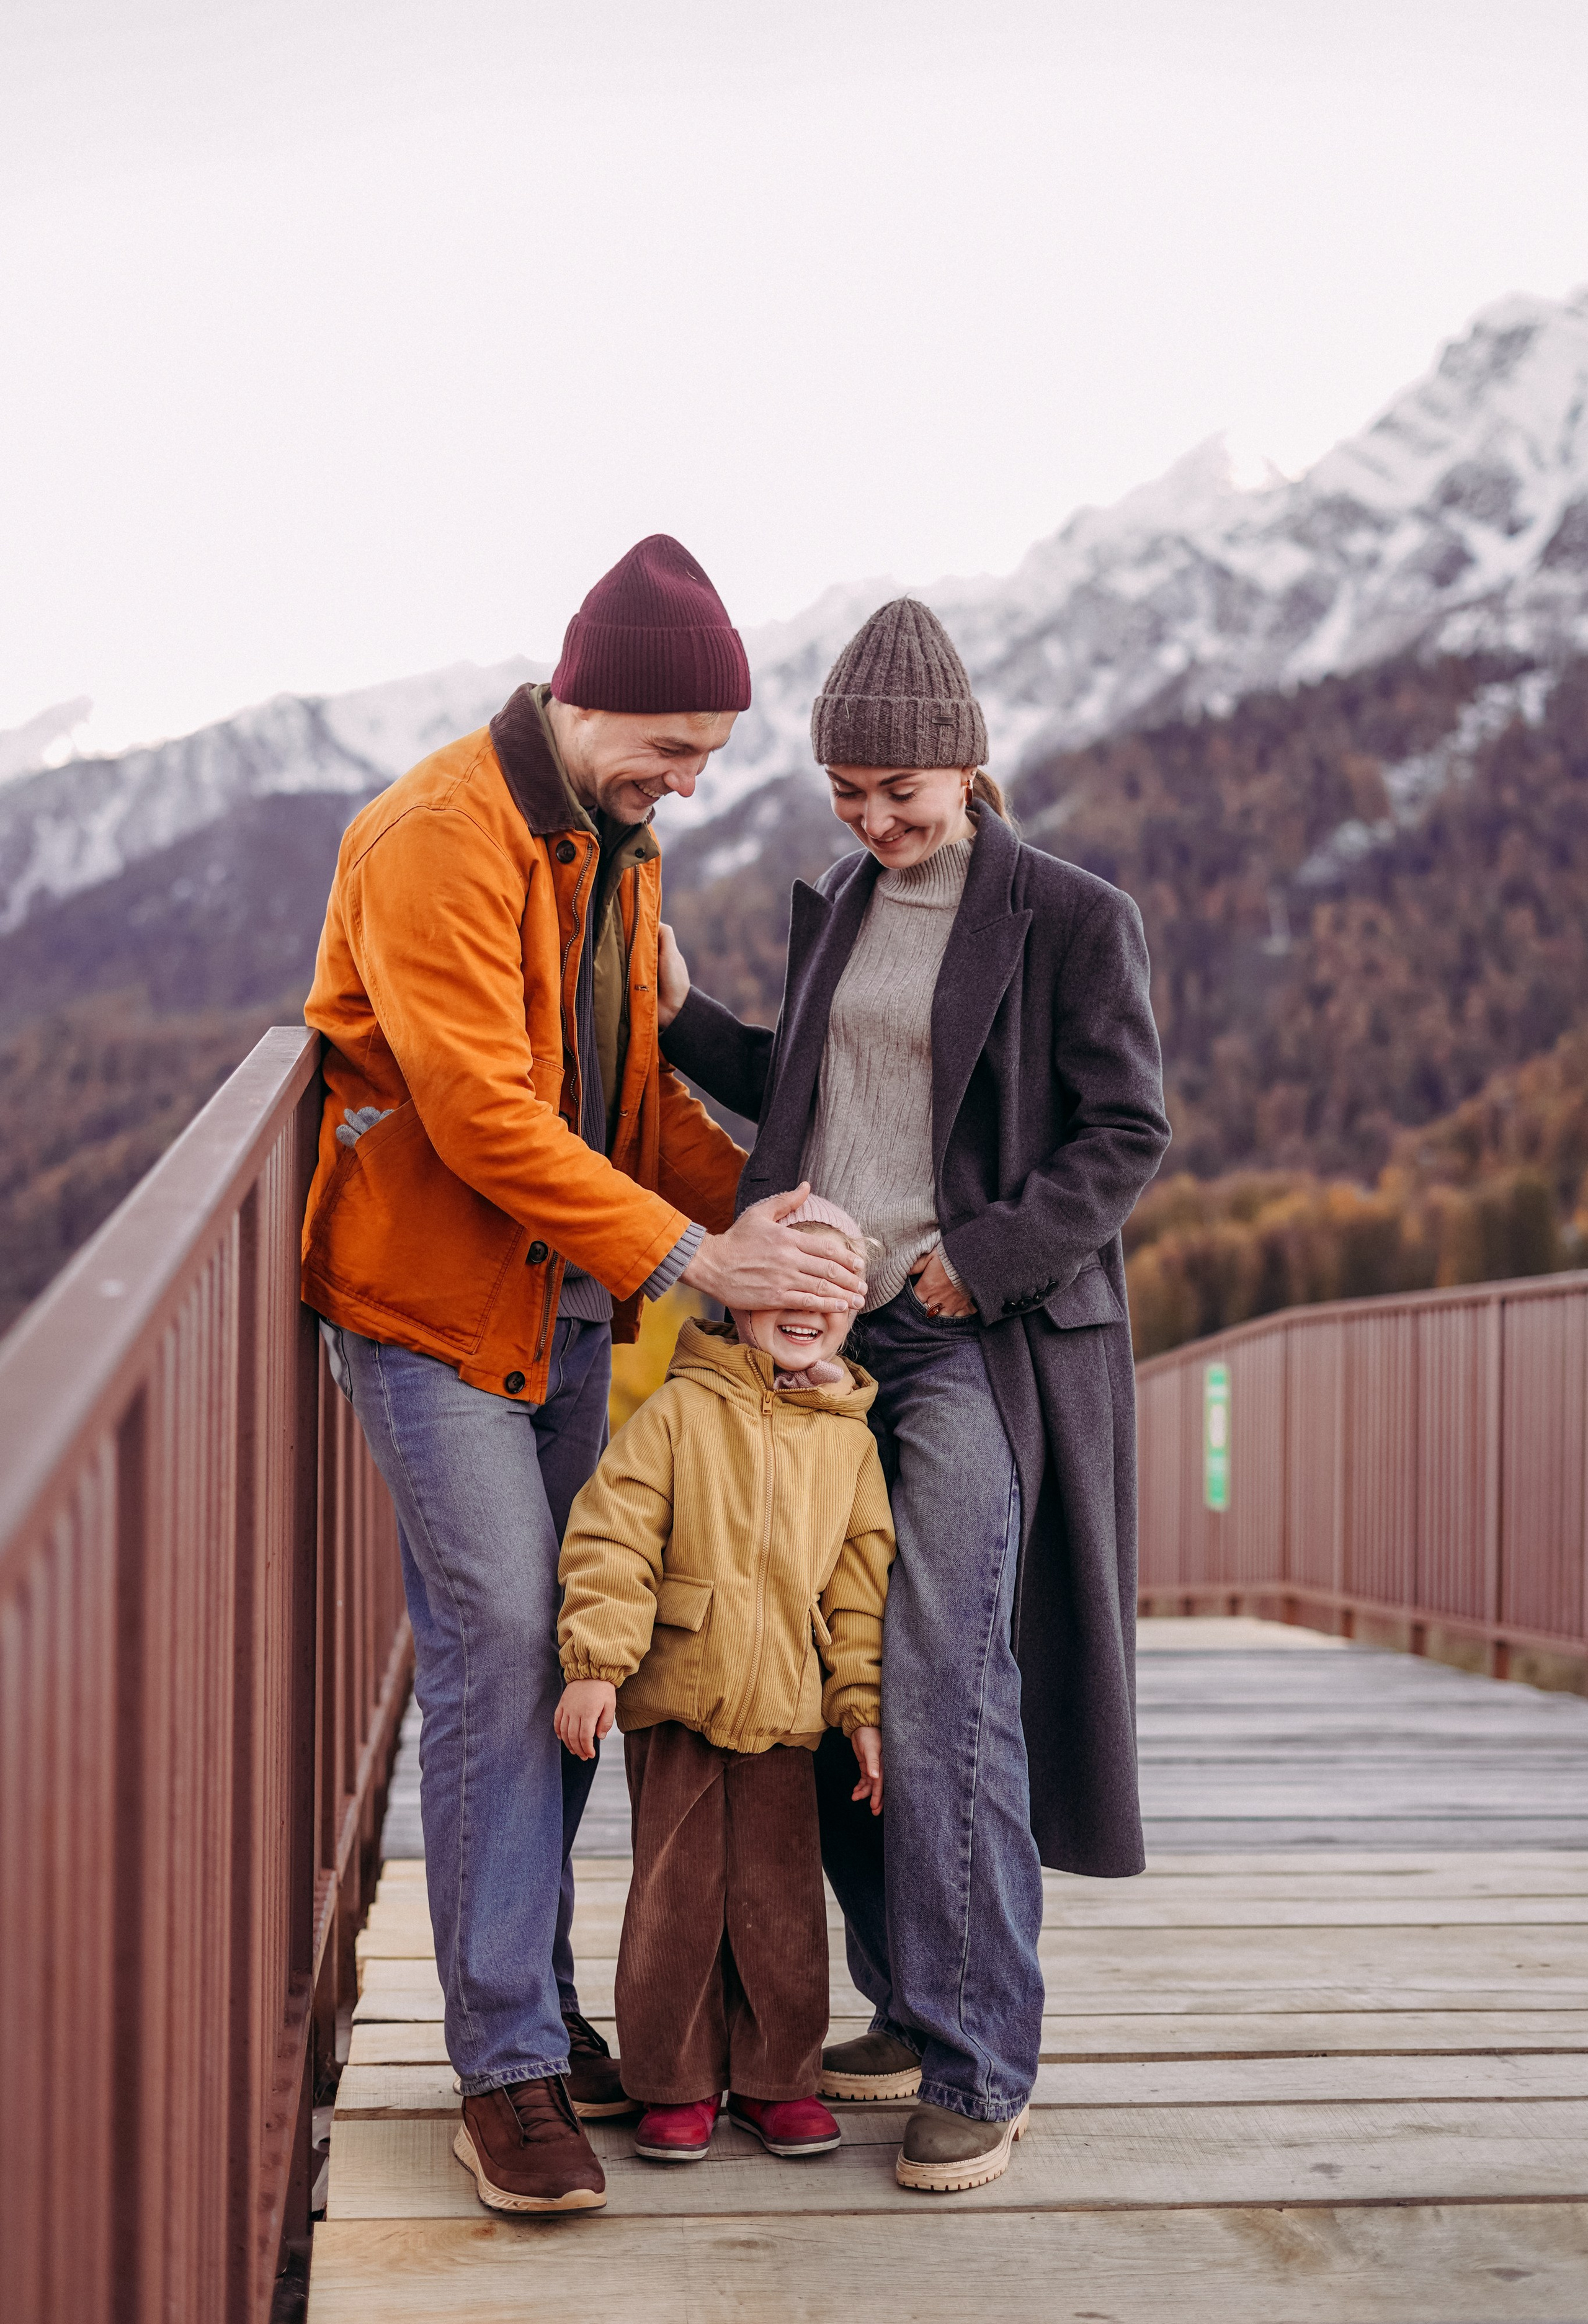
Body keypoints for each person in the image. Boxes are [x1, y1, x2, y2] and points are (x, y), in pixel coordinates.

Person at [301, 535, 868, 2216]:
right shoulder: (437, 840)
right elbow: (482, 1116)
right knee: (493, 1650)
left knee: (566, 1653)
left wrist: (782, 1220)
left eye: (708, 757)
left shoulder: (611, 848)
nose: (690, 788)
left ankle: (534, 2015)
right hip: (423, 1312)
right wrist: (703, 1263)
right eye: (675, 750)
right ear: (584, 694)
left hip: (553, 1309)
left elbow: (619, 1113)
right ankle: (504, 2072)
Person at [656, 597, 1172, 2194]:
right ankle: (902, 1993)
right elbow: (813, 1093)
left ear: (968, 759)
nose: (876, 821)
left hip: (968, 1338)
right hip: (816, 1347)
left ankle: (980, 2052)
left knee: (946, 1674)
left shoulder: (1071, 915)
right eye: (848, 795)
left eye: (903, 791)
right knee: (829, 1670)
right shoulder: (841, 904)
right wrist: (680, 1014)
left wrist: (979, 1258)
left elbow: (1124, 1131)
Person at [553, 1195, 893, 2166]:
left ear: (856, 1310)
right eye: (786, 1277)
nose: (806, 1300)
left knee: (782, 1903)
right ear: (742, 1290)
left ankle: (777, 2081)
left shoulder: (851, 1444)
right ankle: (675, 2081)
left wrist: (862, 1709)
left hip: (788, 1713)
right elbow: (614, 1537)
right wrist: (597, 1662)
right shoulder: (676, 1413)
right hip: (680, 1705)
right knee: (677, 1901)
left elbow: (861, 1591)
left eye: (832, 1287)